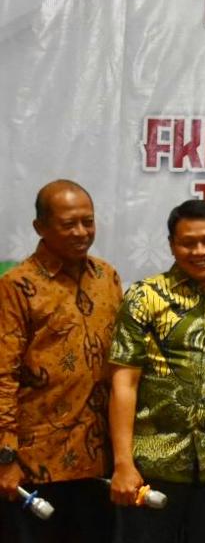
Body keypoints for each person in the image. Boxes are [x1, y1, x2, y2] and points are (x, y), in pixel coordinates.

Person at [108, 199, 205, 543]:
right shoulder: (144, 297)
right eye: (188, 243)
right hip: (153, 461)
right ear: (171, 245)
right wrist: (123, 463)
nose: (200, 251)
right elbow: (124, 382)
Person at [0, 180, 122, 543]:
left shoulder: (107, 276)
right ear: (40, 227)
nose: (81, 232)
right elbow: (3, 374)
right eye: (69, 224)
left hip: (99, 461)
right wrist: (5, 458)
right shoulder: (16, 285)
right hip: (35, 465)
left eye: (88, 221)